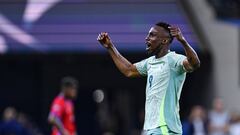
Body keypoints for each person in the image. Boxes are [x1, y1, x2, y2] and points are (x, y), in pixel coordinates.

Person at [97, 22, 200, 135]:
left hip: (165, 127)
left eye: (152, 35)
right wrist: (110, 47)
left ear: (164, 41)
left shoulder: (174, 60)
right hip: (150, 128)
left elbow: (194, 64)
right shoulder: (150, 63)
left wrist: (183, 41)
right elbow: (129, 70)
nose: (147, 38)